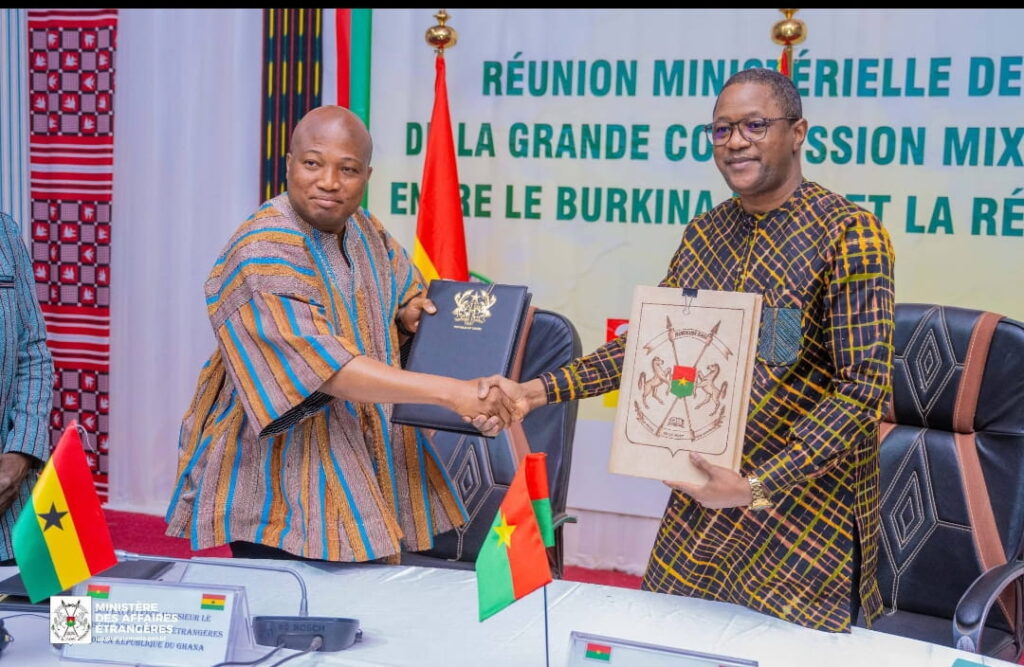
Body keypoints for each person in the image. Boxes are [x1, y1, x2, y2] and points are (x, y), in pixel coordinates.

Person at [481, 68, 895, 632]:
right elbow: (650, 346)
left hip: (801, 517)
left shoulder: (848, 234)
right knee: (665, 641)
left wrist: (756, 487)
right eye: (722, 130)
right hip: (701, 502)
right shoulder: (705, 234)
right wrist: (536, 391)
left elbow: (862, 389)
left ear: (797, 133)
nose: (736, 142)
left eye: (755, 125)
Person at [165, 106, 513, 562]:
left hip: (362, 456)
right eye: (313, 164)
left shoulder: (366, 229)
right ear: (289, 164)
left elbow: (405, 292)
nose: (329, 182)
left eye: (347, 169)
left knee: (366, 598)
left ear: (366, 175)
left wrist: (408, 314)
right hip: (281, 479)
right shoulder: (263, 248)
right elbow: (326, 371)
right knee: (291, 600)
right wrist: (455, 394)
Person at [0, 211, 55, 565]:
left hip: (12, 514)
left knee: (56, 610)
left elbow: (33, 351)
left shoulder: (4, 231)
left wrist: (22, 452)